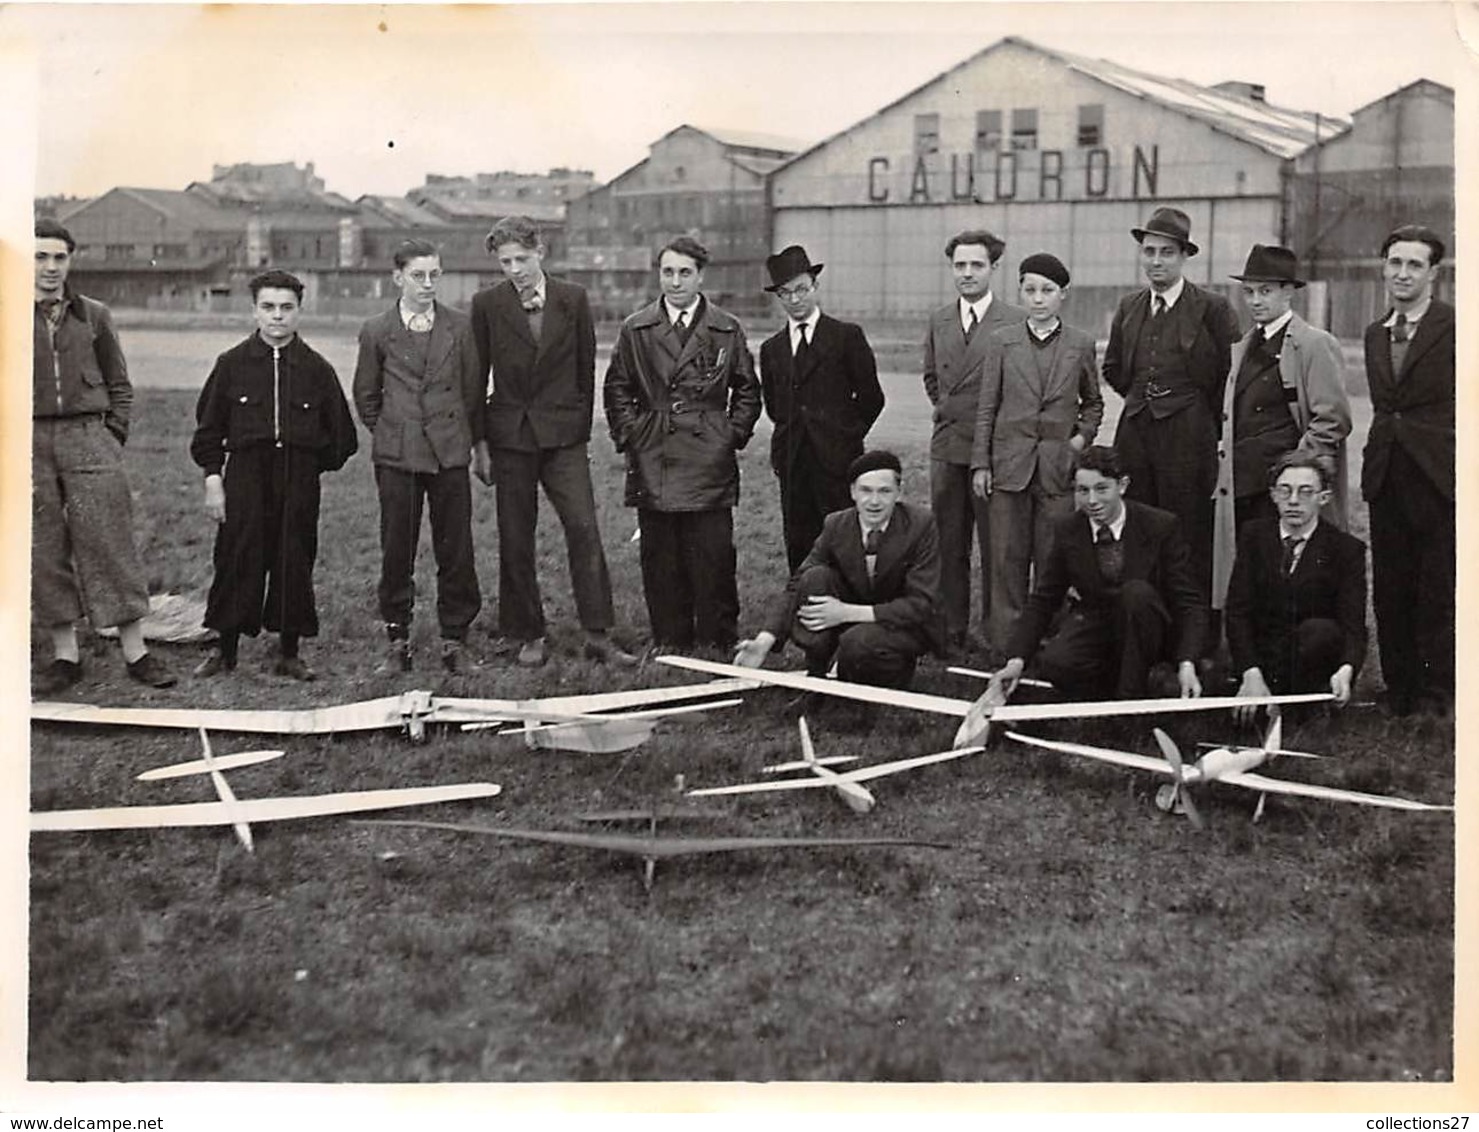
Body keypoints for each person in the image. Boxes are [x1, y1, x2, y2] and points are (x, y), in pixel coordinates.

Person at [470, 215, 634, 668]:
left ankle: (598, 634)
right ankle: (527, 633)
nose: (515, 269)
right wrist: (480, 444)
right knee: (516, 537)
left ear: (540, 252)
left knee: (584, 530)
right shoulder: (486, 304)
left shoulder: (573, 299)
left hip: (563, 439)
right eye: (505, 261)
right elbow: (476, 375)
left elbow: (585, 369)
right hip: (511, 438)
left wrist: (577, 429)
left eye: (522, 258)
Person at [190, 270, 358, 680]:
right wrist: (214, 478)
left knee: (293, 557)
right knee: (236, 556)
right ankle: (224, 650)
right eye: (268, 307)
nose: (277, 317)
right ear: (254, 311)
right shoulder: (231, 365)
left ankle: (289, 651)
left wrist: (307, 466)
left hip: (298, 476)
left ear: (300, 311)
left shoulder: (317, 369)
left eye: (286, 308)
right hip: (245, 476)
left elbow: (343, 438)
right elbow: (208, 431)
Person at [31, 218, 176, 693]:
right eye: (40, 256)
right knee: (43, 544)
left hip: (89, 437)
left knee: (109, 540)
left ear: (70, 261)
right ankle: (65, 655)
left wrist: (112, 434)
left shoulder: (93, 315)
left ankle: (136, 651)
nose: (50, 267)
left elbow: (120, 384)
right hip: (29, 443)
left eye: (59, 257)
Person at [603, 236, 762, 652]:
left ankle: (717, 637)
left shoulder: (725, 328)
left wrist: (729, 436)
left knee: (712, 553)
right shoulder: (636, 328)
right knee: (661, 556)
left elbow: (747, 389)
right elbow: (617, 387)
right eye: (668, 272)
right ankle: (670, 638)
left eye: (685, 273)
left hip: (708, 454)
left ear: (701, 276)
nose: (675, 282)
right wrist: (634, 435)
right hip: (655, 451)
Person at [353, 239, 486, 674]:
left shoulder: (460, 327)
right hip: (398, 456)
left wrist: (460, 439)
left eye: (434, 275)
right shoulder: (377, 329)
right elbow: (367, 395)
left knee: (457, 549)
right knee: (397, 548)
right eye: (418, 276)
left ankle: (455, 640)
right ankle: (397, 639)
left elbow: (471, 392)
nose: (427, 285)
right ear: (397, 278)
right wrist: (395, 432)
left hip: (449, 454)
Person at [984, 445, 1206, 703]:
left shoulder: (1160, 525)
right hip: (1098, 624)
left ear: (1122, 485)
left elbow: (1189, 602)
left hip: (1149, 625)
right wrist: (1016, 660)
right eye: (1083, 491)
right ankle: (1129, 684)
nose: (1092, 501)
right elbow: (1044, 599)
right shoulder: (1068, 529)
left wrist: (1187, 662)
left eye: (1102, 489)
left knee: (1136, 593)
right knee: (1056, 664)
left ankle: (1130, 700)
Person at [1102, 207, 1240, 606]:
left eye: (1166, 252)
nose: (1156, 261)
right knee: (1137, 524)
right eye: (1149, 252)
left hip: (1190, 438)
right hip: (1135, 435)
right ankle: (1143, 620)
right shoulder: (1129, 307)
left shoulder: (1212, 308)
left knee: (1188, 530)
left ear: (1183, 257)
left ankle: (1192, 634)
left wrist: (1197, 417)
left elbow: (1228, 378)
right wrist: (1144, 396)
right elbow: (1113, 367)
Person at [971, 252, 1103, 651]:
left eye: (1047, 290)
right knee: (1008, 557)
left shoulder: (1079, 344)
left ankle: (1050, 640)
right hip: (1010, 468)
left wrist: (1078, 442)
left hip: (1057, 472)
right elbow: (987, 407)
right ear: (1021, 294)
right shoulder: (1002, 342)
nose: (1038, 298)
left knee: (1052, 559)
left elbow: (1093, 403)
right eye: (1030, 290)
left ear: (1063, 294)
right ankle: (1008, 643)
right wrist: (981, 463)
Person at [1211, 244, 1351, 614]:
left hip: (1283, 488)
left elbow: (1331, 419)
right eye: (1250, 292)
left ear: (1288, 292)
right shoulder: (1242, 347)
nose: (1256, 300)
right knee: (1248, 576)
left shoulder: (1313, 344)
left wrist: (1296, 473)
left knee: (1288, 577)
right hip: (1241, 483)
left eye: (1266, 291)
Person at [734, 450, 943, 691]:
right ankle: (817, 671)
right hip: (854, 619)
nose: (874, 501)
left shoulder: (921, 525)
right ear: (852, 492)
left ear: (898, 492)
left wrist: (845, 613)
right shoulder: (836, 524)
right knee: (815, 577)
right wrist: (764, 641)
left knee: (859, 643)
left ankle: (886, 678)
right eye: (866, 490)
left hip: (899, 625)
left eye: (884, 491)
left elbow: (921, 604)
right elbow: (798, 583)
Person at [1361, 224, 1454, 716]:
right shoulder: (1375, 333)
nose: (1402, 273)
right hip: (1386, 474)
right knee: (1391, 585)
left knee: (1435, 588)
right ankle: (1398, 691)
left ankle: (1437, 694)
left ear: (1433, 273)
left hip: (1439, 477)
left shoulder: (1455, 327)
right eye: (1395, 263)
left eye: (1414, 264)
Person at [922, 228, 1025, 656]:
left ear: (994, 268)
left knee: (998, 546)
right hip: (948, 449)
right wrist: (949, 408)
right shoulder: (939, 318)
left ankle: (999, 634)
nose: (967, 274)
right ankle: (949, 630)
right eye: (959, 265)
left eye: (976, 265)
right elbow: (931, 376)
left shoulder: (1014, 320)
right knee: (949, 545)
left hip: (994, 454)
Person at [757, 245, 883, 571]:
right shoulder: (772, 349)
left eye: (801, 289)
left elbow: (872, 399)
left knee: (842, 539)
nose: (795, 299)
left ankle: (845, 608)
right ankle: (805, 606)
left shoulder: (845, 337)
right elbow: (774, 405)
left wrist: (843, 436)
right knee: (799, 540)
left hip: (839, 462)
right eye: (786, 293)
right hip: (793, 461)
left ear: (815, 286)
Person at [1226, 452, 1366, 725]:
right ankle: (1259, 693)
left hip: (1312, 654)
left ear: (1323, 498)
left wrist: (1346, 671)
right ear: (1273, 495)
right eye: (1285, 491)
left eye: (1305, 492)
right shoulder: (1254, 536)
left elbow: (1353, 626)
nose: (1293, 501)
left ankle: (1305, 703)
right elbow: (1237, 611)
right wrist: (1251, 672)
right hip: (1264, 656)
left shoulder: (1346, 550)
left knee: (1319, 631)